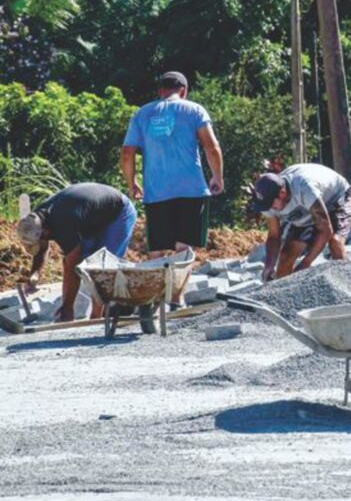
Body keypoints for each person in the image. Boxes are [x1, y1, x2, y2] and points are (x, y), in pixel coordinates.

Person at [121, 71, 224, 302]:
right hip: (192, 191)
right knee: (183, 247)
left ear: (160, 91)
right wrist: (217, 176)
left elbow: (127, 153)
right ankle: (177, 299)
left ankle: (155, 300)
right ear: (184, 91)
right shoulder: (194, 110)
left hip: (156, 192)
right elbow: (211, 147)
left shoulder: (142, 114)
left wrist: (132, 183)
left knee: (157, 248)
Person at [17, 183, 137, 322]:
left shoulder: (63, 224)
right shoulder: (35, 219)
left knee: (101, 266)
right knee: (85, 259)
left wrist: (67, 307)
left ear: (45, 232)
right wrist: (34, 275)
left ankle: (96, 317)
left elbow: (73, 266)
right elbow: (42, 248)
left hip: (118, 212)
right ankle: (96, 312)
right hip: (91, 215)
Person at [248, 163, 351, 281]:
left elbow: (325, 230)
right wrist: (269, 265)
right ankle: (284, 296)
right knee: (285, 257)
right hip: (306, 207)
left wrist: (306, 263)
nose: (270, 208)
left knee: (335, 242)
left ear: (282, 193)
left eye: (271, 204)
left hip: (337, 198)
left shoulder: (304, 188)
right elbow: (274, 236)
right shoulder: (267, 201)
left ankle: (348, 285)